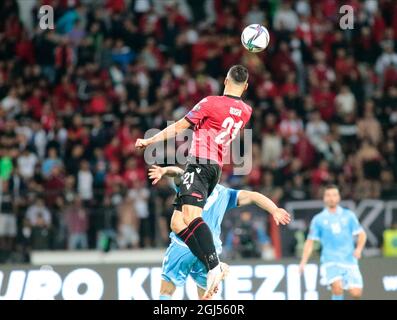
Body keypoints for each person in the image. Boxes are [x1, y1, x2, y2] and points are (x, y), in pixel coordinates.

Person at [136, 65, 253, 298]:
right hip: (215, 168)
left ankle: (214, 266)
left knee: (191, 218)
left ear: (225, 80)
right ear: (246, 86)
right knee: (177, 223)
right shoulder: (246, 110)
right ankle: (212, 263)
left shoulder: (210, 102)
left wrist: (150, 141)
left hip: (200, 164)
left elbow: (180, 127)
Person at [148, 165, 291, 300]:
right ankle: (215, 268)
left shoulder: (189, 182)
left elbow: (178, 172)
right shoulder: (226, 193)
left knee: (166, 292)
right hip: (209, 249)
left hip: (183, 245)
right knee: (206, 295)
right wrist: (274, 209)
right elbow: (253, 196)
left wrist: (164, 170)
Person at [299, 185, 367, 300]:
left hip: (349, 259)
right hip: (330, 260)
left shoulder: (349, 215)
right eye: (328, 195)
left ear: (339, 197)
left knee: (356, 293)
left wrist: (359, 249)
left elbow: (361, 234)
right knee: (337, 287)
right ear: (324, 198)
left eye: (334, 195)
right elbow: (310, 242)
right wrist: (303, 262)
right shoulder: (318, 219)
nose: (331, 198)